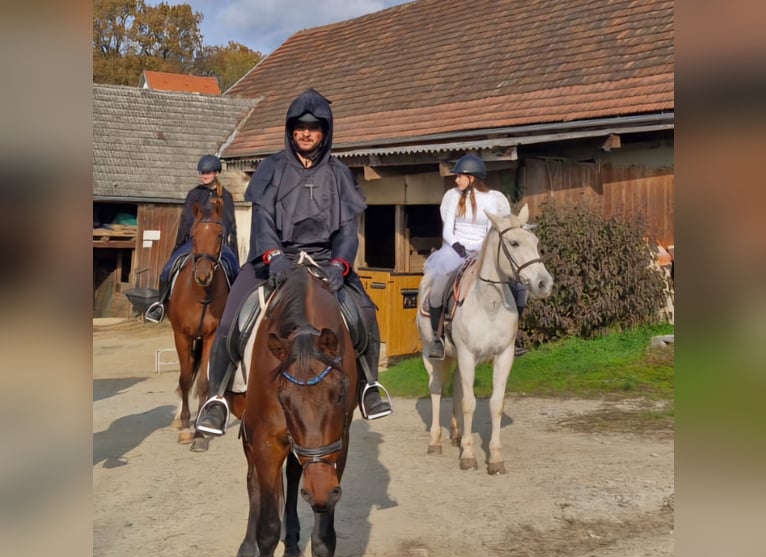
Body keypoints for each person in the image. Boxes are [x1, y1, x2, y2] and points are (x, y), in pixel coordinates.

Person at [195, 88, 392, 436]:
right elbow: (263, 218)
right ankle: (216, 399)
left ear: (325, 131)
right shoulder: (271, 168)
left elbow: (348, 230)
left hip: (324, 261)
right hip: (274, 259)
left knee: (364, 313)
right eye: (300, 126)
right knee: (230, 320)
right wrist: (272, 256)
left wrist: (340, 265)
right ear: (290, 129)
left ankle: (369, 386)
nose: (306, 133)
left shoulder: (339, 173)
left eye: (314, 127)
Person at [424, 153, 528, 359]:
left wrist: (484, 249)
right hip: (457, 251)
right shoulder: (454, 196)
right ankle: (438, 339)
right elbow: (448, 228)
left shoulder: (492, 199)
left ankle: (514, 337)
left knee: (520, 287)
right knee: (437, 289)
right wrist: (455, 245)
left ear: (471, 178)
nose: (456, 179)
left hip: (483, 252)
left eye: (460, 176)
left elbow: (491, 228)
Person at [144, 155, 240, 323]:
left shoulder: (226, 196)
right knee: (167, 269)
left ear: (216, 173)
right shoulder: (194, 194)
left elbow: (231, 226)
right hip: (194, 243)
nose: (203, 175)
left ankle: (234, 310)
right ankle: (161, 304)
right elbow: (186, 222)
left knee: (236, 272)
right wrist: (178, 245)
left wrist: (232, 249)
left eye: (207, 173)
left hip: (217, 245)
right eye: (202, 172)